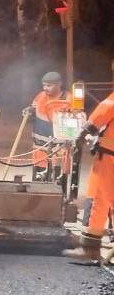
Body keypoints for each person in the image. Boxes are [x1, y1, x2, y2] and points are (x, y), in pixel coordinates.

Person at [63, 90, 114, 263]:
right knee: (103, 201)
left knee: (102, 199)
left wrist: (83, 132)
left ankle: (90, 249)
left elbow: (106, 109)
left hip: (110, 157)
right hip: (108, 153)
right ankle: (91, 247)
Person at [27, 71, 70, 181]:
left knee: (56, 177)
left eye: (49, 85)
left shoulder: (68, 99)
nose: (45, 88)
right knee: (38, 178)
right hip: (40, 147)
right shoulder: (41, 96)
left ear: (59, 84)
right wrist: (29, 111)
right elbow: (33, 109)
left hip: (59, 148)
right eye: (44, 85)